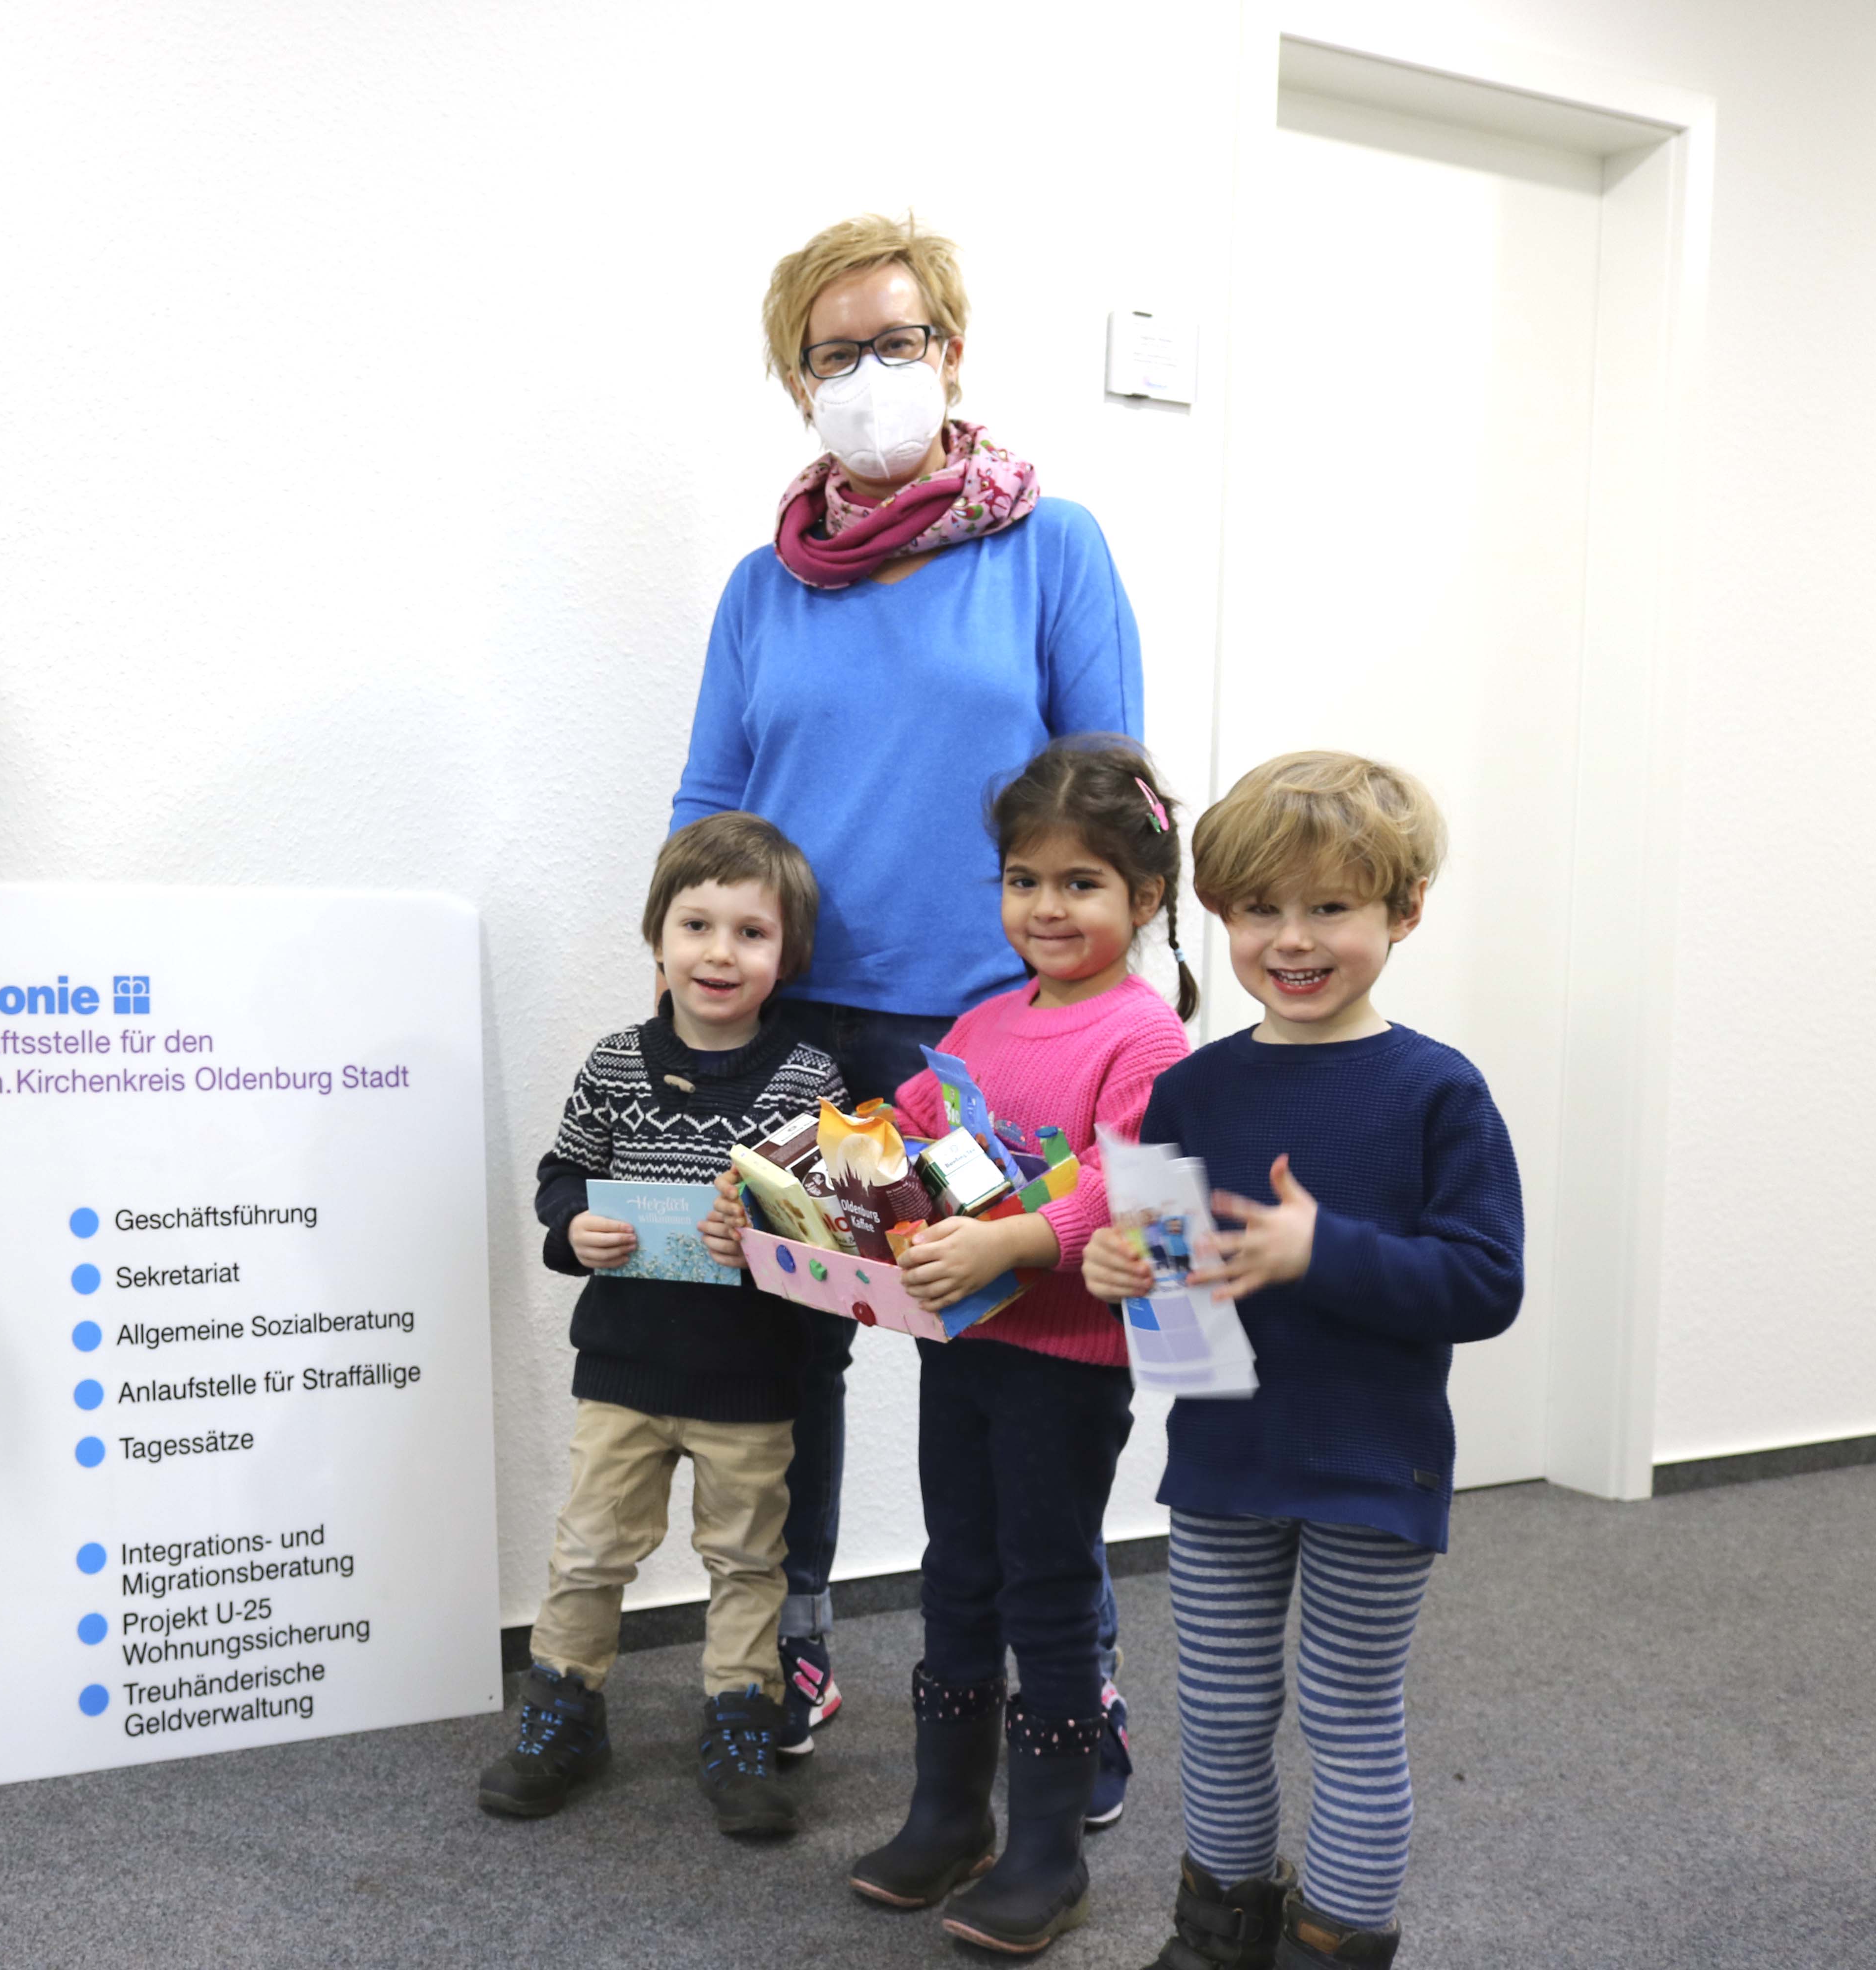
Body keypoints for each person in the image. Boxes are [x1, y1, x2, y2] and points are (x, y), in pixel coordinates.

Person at [673, 213, 1146, 1786]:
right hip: (802, 1026)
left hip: (989, 1038)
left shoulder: (1051, 547)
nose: (870, 373)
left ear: (952, 348)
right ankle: (794, 1641)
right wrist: (692, 981)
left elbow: (1111, 792)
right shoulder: (765, 587)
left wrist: (1102, 1004)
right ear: (794, 382)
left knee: (1014, 1364)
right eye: (835, 354)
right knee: (785, 1360)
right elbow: (713, 799)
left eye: (898, 340)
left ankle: (1071, 1677)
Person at [1083, 753, 1523, 1970]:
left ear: (1405, 910)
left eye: (1330, 906)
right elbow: (1177, 1290)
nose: (1292, 938)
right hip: (1226, 1456)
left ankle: (1336, 1943)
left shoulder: (1439, 1091)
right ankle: (1221, 1930)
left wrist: (1325, 1250)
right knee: (1220, 1712)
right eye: (1260, 908)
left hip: (1372, 1463)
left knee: (1347, 1713)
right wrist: (1127, 1269)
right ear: (1219, 912)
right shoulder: (1191, 1088)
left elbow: (1486, 1283)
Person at [832, 740, 1196, 1952]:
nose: (1047, 906)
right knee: (957, 1569)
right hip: (963, 1350)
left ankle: (1046, 1850)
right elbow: (901, 1135)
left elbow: (1123, 1179)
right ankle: (947, 1815)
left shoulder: (1146, 1037)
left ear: (1146, 895)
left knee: (1047, 1586)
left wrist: (1008, 1240)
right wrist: (791, 1178)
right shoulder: (982, 1023)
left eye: (1081, 882)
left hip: (1068, 1363)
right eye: (1024, 879)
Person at [478, 814, 846, 1838]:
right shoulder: (614, 1064)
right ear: (658, 937)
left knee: (748, 1560)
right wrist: (573, 1228)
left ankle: (741, 1719)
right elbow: (563, 1173)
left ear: (788, 956)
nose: (720, 953)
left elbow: (831, 1231)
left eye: (751, 933)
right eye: (697, 925)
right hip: (625, 1370)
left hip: (750, 1379)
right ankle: (564, 1709)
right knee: (590, 1551)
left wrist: (764, 1241)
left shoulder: (808, 1079)